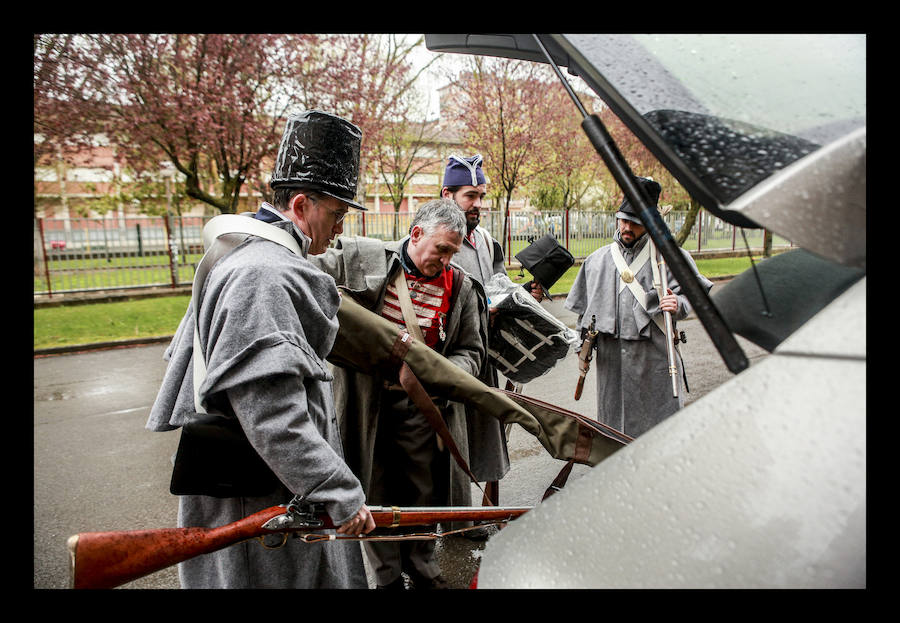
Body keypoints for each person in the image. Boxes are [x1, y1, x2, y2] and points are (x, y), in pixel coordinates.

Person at [146, 110, 375, 589]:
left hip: (265, 486)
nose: (339, 229)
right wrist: (339, 490)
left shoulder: (246, 255)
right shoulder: (263, 274)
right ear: (301, 204)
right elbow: (272, 415)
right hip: (260, 495)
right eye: (336, 214)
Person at [310, 199, 487, 589]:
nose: (446, 261)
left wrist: (440, 373)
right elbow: (302, 273)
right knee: (372, 491)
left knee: (422, 494)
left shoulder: (460, 286)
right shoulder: (362, 259)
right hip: (364, 406)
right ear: (417, 234)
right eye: (441, 249)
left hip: (422, 409)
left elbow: (472, 351)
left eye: (453, 253)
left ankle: (423, 568)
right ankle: (387, 576)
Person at [564, 176, 713, 438]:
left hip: (654, 362)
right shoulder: (597, 261)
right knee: (613, 434)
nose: (627, 228)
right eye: (623, 220)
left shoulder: (671, 258)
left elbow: (697, 297)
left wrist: (678, 304)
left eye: (635, 222)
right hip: (611, 367)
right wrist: (582, 348)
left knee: (658, 435)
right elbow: (583, 316)